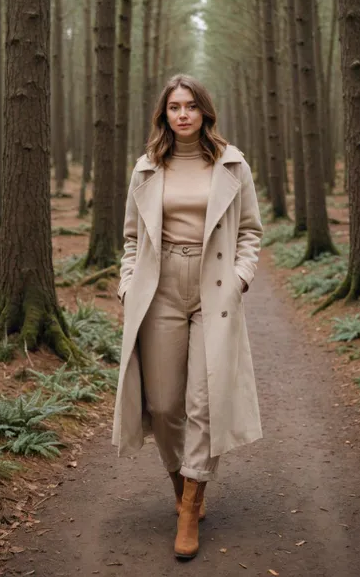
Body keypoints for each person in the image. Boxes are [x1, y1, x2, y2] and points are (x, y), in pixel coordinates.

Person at [112, 73, 263, 560]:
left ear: (205, 112)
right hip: (158, 288)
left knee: (204, 399)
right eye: (174, 106)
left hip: (214, 287)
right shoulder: (146, 168)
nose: (182, 114)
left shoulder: (232, 164)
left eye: (191, 106)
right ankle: (183, 487)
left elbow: (251, 233)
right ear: (164, 114)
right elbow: (132, 238)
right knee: (164, 405)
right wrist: (127, 282)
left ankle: (189, 505)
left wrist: (241, 278)